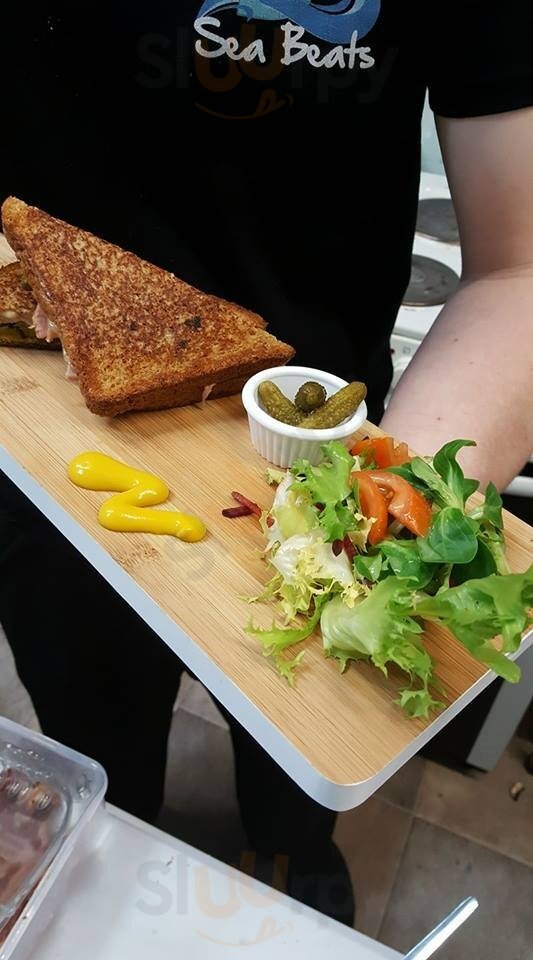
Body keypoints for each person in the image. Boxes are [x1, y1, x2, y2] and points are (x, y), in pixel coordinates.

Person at [1, 0, 533, 927]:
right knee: (98, 744)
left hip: (329, 443)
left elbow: (517, 269)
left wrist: (377, 515)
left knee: (300, 772)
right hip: (39, 449)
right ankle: (118, 846)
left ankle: (290, 848)